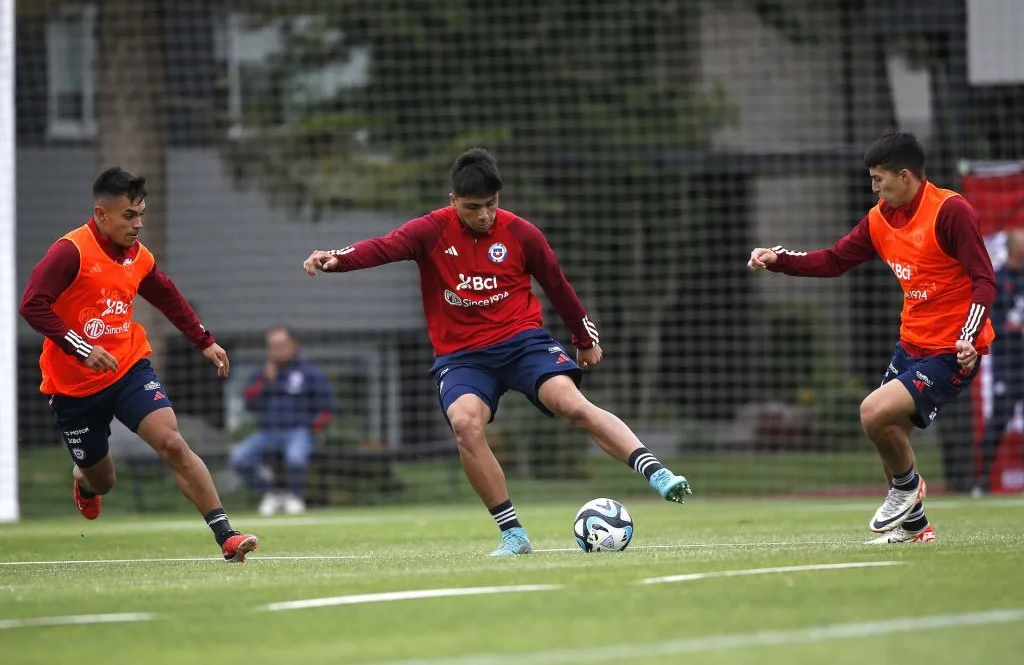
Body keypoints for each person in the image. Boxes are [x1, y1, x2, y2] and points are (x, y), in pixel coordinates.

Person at [302, 148, 692, 556]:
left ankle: (657, 472)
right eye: (473, 207)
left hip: (523, 342)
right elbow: (383, 247)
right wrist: (336, 259)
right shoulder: (430, 231)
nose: (484, 215)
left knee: (573, 405)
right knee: (465, 425)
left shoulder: (522, 233)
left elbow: (558, 285)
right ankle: (513, 534)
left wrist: (584, 338)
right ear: (453, 200)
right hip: (463, 357)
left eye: (491, 204)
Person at [748, 132, 996, 544]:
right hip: (911, 345)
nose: (874, 187)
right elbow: (834, 260)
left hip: (953, 350)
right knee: (889, 436)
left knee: (872, 413)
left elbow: (984, 280)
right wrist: (779, 260)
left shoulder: (951, 211)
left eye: (879, 179)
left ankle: (907, 488)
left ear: (905, 176)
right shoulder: (880, 217)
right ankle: (915, 529)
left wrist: (969, 338)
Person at [19, 167, 259, 563]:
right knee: (104, 480)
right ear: (101, 215)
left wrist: (205, 341)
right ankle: (86, 482)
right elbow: (32, 305)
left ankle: (227, 537)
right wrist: (81, 349)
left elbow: (167, 296)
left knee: (172, 443)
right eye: (129, 216)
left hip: (129, 368)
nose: (139, 224)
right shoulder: (70, 252)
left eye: (141, 213)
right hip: (74, 387)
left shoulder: (138, 256)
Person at [230, 326, 334, 515]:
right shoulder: (263, 373)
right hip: (267, 432)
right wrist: (266, 382)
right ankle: (272, 494)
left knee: (295, 458)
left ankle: (295, 497)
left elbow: (327, 406)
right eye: (273, 346)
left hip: (298, 431)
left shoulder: (309, 371)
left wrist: (312, 430)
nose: (277, 349)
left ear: (293, 345)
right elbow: (249, 402)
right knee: (239, 458)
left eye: (282, 345)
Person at [974, 228, 1024, 496]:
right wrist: (1014, 327)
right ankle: (981, 480)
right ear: (1015, 249)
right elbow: (991, 323)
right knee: (1000, 417)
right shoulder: (998, 280)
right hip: (1008, 362)